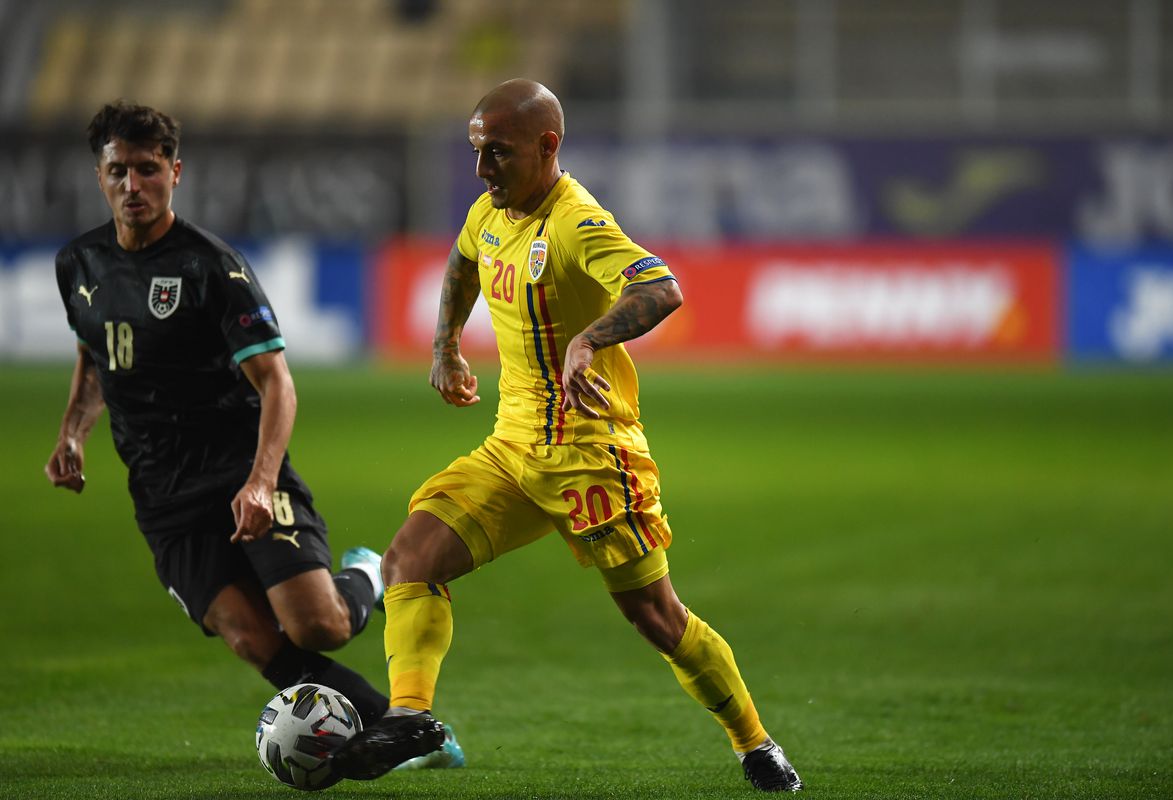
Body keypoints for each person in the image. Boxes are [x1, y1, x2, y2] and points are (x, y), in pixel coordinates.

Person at [331, 79, 802, 792]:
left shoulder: (577, 222)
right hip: (512, 446)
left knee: (655, 615)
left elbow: (661, 287)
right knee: (408, 560)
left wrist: (591, 338)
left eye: (499, 154)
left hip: (591, 455)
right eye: (476, 153)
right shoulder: (489, 213)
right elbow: (462, 260)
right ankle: (410, 718)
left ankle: (756, 743)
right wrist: (445, 347)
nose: (484, 170)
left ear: (548, 146)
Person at [43, 100, 465, 769]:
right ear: (100, 177)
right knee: (250, 638)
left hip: (240, 470)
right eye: (118, 171)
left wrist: (262, 482)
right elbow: (97, 355)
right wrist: (72, 435)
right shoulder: (79, 265)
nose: (133, 186)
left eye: (147, 170)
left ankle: (367, 574)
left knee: (318, 627)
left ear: (174, 172)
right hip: (162, 494)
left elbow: (277, 381)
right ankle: (409, 733)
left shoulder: (214, 268)